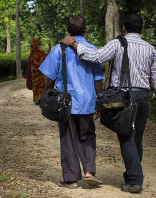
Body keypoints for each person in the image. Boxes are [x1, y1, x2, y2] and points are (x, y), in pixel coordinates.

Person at [61, 14, 156, 193]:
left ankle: (135, 180)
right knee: (136, 138)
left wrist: (73, 44)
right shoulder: (151, 49)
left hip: (126, 99)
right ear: (141, 30)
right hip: (143, 99)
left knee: (126, 137)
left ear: (124, 29)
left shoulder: (118, 44)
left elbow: (96, 57)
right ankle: (132, 175)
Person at [39, 15, 104, 189]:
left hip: (64, 103)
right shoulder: (91, 50)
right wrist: (100, 102)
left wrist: (47, 94)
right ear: (86, 29)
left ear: (68, 30)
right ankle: (89, 172)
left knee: (67, 139)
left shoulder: (59, 49)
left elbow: (48, 77)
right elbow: (98, 80)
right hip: (87, 101)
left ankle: (71, 180)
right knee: (87, 136)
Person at [26, 37, 48, 104]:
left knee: (37, 86)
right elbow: (46, 57)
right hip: (39, 72)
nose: (40, 42)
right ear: (36, 42)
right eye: (39, 41)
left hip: (34, 72)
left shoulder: (32, 50)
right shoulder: (39, 50)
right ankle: (40, 99)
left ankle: (37, 100)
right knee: (40, 85)